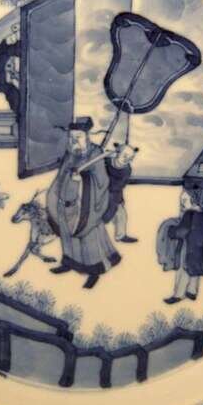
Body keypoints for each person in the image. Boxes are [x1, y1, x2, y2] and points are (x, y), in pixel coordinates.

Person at [46, 117, 121, 289]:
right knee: (67, 235)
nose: (74, 140)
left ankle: (94, 271)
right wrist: (55, 194)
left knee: (88, 239)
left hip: (87, 205)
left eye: (78, 137)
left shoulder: (95, 154)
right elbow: (61, 176)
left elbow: (102, 181)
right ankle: (69, 262)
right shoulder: (70, 154)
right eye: (72, 137)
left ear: (87, 136)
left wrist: (83, 179)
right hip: (66, 202)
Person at [157, 189, 203, 304]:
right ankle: (192, 292)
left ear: (192, 200)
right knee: (195, 269)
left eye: (184, 200)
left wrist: (171, 231)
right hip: (199, 248)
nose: (182, 203)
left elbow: (182, 231)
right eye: (181, 200)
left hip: (187, 247)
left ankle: (178, 295)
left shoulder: (189, 214)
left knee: (183, 270)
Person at [103, 143, 139, 243]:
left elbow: (119, 186)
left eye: (130, 158)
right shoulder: (106, 161)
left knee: (121, 214)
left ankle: (121, 235)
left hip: (114, 195)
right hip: (98, 192)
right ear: (118, 153)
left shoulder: (126, 170)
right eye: (125, 155)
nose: (127, 159)